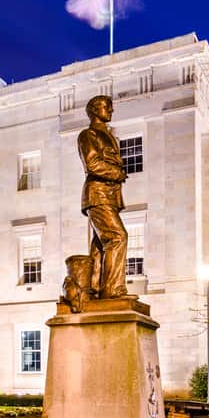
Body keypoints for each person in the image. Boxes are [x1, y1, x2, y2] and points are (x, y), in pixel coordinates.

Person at [78, 95, 128, 299]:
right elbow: (93, 164)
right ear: (94, 110)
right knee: (117, 237)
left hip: (110, 196)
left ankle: (95, 288)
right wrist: (117, 174)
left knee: (100, 245)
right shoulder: (88, 134)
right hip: (97, 194)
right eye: (106, 107)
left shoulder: (109, 136)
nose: (111, 110)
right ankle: (113, 290)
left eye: (110, 107)